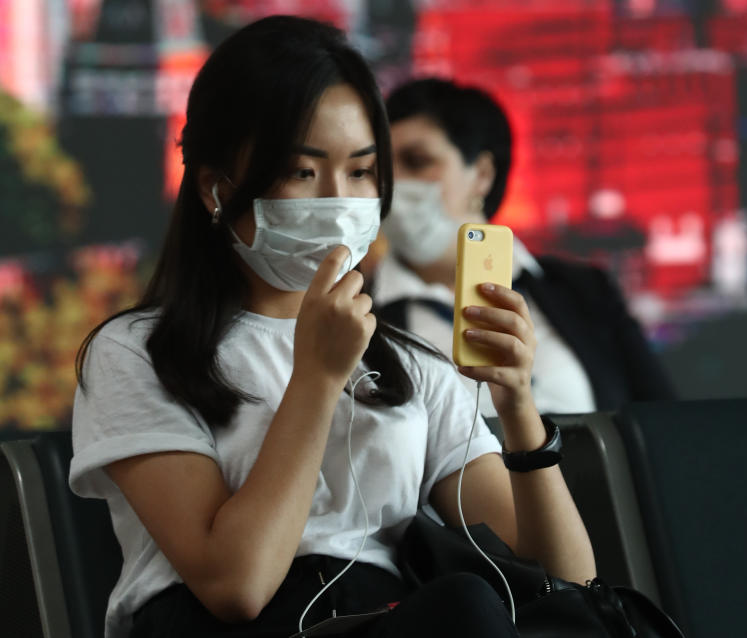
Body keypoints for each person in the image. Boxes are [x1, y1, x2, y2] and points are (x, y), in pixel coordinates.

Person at [69, 17, 594, 638]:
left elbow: (570, 581)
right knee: (465, 613)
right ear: (216, 188)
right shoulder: (139, 353)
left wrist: (517, 407)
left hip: (399, 620)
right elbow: (234, 585)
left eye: (361, 172)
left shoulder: (409, 365)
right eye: (301, 171)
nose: (337, 199)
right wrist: (316, 379)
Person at [374, 78, 674, 417]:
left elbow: (662, 423)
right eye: (380, 168)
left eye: (416, 161)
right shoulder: (362, 315)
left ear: (482, 174)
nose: (391, 184)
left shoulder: (583, 290)